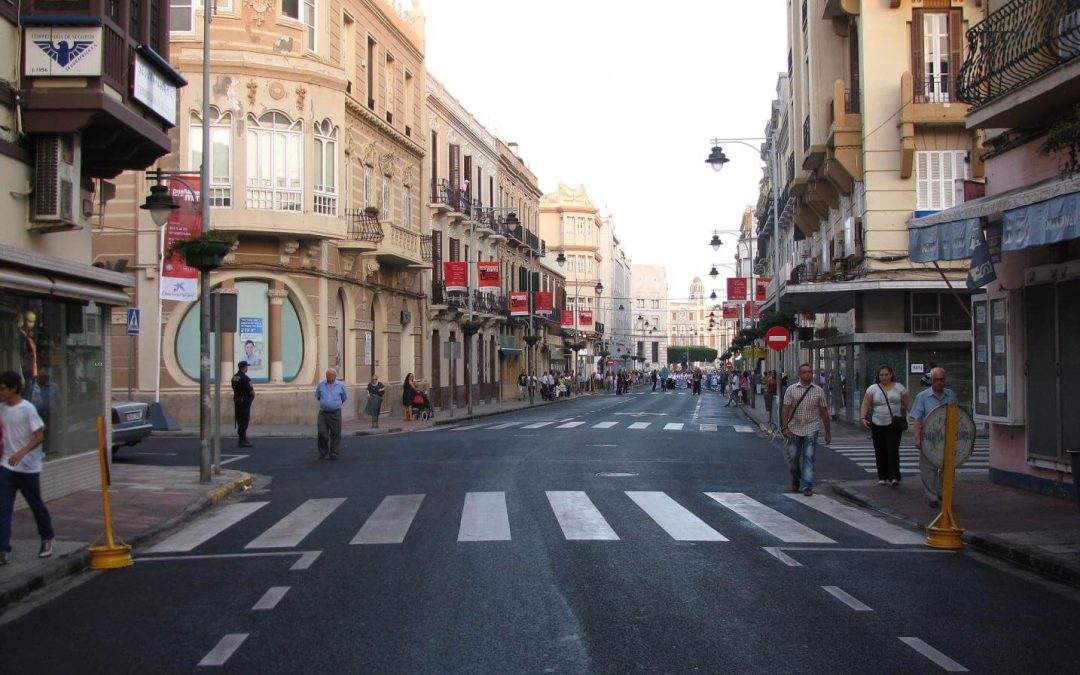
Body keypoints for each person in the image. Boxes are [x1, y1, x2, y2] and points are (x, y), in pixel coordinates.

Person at [0, 370, 54, 564]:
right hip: (6, 465)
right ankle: (3, 550)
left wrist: (21, 453)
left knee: (36, 505)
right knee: (3, 508)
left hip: (28, 468)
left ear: (14, 388)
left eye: (3, 388)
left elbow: (39, 436)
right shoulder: (2, 408)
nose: (0, 392)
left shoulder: (27, 408)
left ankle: (47, 538)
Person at [909, 367, 958, 508]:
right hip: (929, 437)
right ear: (931, 380)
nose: (939, 382)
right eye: (936, 380)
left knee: (948, 467)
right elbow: (917, 418)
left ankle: (943, 491)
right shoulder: (922, 396)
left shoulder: (950, 395)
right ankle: (932, 496)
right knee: (928, 469)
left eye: (942, 380)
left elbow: (956, 415)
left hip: (946, 436)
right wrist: (917, 438)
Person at [781, 363, 832, 496]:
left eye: (809, 372)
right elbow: (785, 409)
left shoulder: (818, 391)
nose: (808, 374)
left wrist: (827, 431)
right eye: (804, 372)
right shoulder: (791, 390)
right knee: (793, 457)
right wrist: (785, 427)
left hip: (811, 427)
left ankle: (807, 485)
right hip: (794, 428)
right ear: (799, 374)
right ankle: (796, 477)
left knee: (809, 456)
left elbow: (824, 412)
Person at [860, 364, 912, 488]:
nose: (884, 377)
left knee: (893, 450)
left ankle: (894, 477)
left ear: (891, 375)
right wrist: (862, 417)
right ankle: (882, 477)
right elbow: (866, 404)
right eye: (881, 375)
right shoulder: (873, 389)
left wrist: (916, 419)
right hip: (877, 423)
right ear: (878, 376)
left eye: (886, 374)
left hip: (894, 424)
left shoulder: (899, 388)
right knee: (880, 450)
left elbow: (908, 404)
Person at [315, 368, 348, 460]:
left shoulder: (340, 386)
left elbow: (344, 398)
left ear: (335, 376)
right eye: (328, 375)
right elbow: (318, 396)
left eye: (332, 375)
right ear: (326, 376)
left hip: (335, 413)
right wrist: (326, 404)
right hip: (323, 413)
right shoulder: (321, 385)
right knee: (322, 432)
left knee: (335, 433)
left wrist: (335, 405)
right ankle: (323, 451)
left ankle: (334, 452)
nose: (330, 376)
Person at [231, 361, 254, 447]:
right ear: (244, 367)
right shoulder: (245, 378)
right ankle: (242, 440)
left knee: (239, 419)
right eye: (246, 366)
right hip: (244, 401)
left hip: (237, 400)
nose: (247, 368)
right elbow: (251, 390)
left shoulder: (234, 377)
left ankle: (242, 438)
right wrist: (251, 399)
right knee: (244, 420)